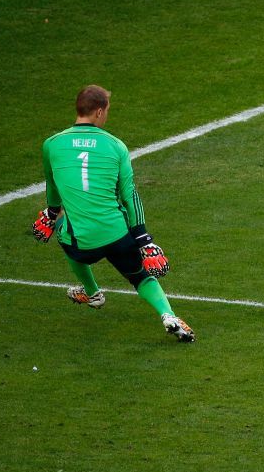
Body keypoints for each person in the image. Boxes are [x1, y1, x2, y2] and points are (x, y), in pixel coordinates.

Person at [31, 85, 195, 342]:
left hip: (82, 244)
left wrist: (52, 213)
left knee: (62, 223)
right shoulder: (116, 146)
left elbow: (52, 187)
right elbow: (129, 196)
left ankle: (92, 292)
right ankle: (168, 315)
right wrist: (144, 238)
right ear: (98, 112)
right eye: (107, 110)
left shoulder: (51, 145)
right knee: (141, 276)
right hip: (117, 235)